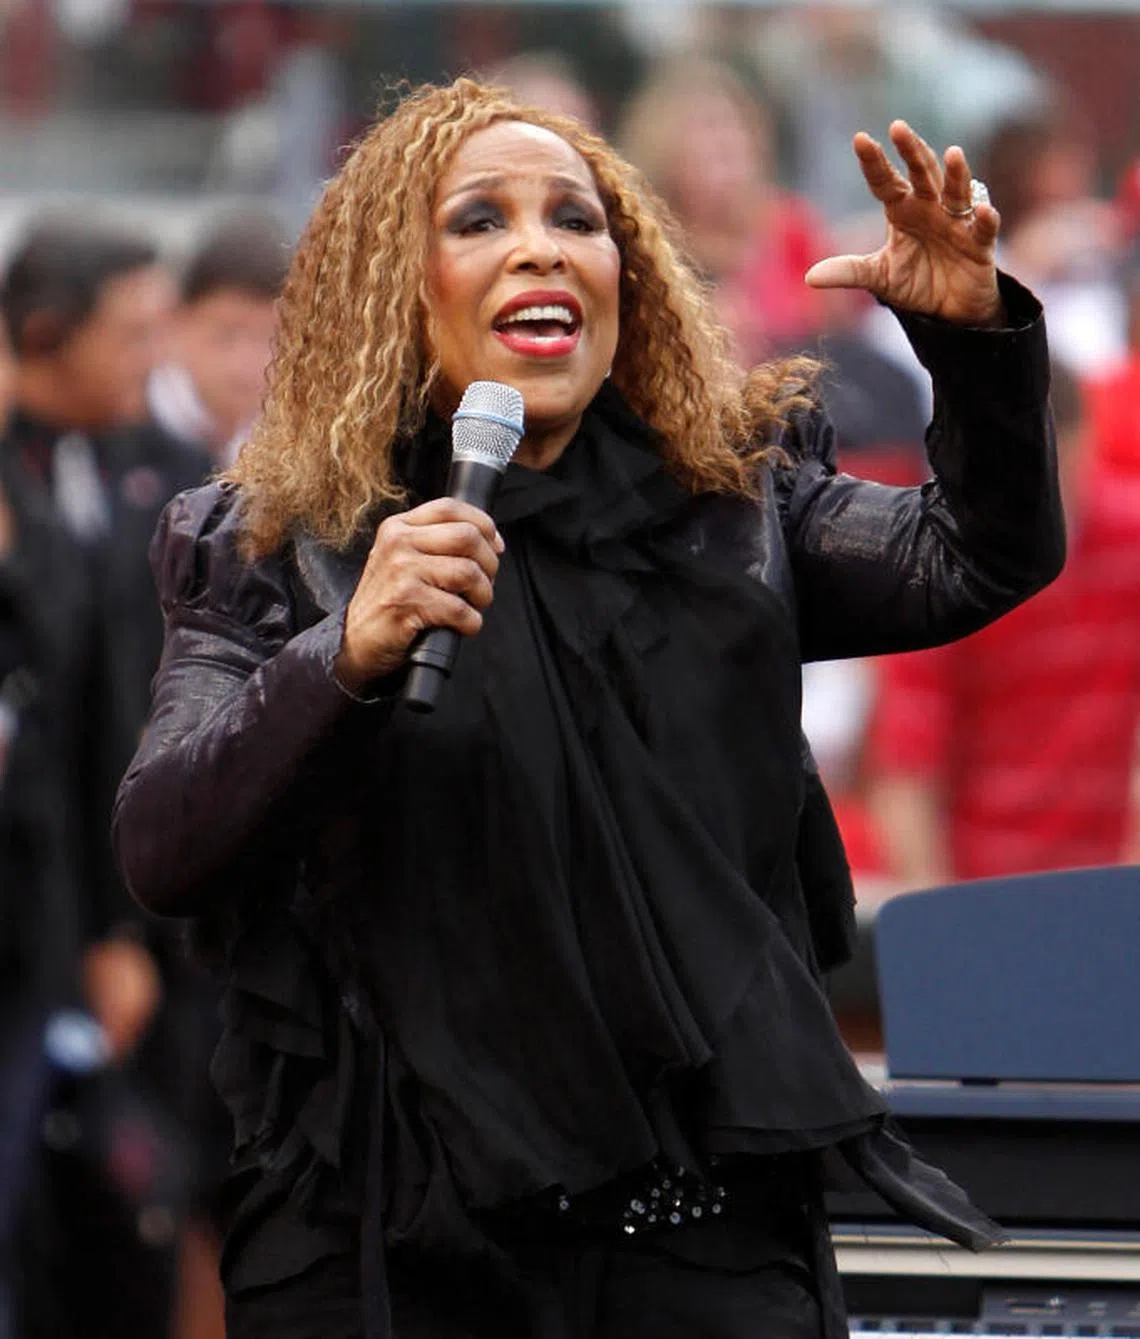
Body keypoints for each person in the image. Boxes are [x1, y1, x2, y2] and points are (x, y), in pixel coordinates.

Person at [113, 79, 1063, 1339]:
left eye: (577, 216)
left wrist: (978, 347)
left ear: (630, 276)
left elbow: (978, 557)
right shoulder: (273, 548)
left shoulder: (738, 511)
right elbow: (164, 843)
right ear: (394, 286)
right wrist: (342, 653)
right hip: (395, 1256)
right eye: (480, 221)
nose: (540, 244)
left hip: (696, 1247)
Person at [869, 358, 1140, 886]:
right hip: (985, 893)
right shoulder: (936, 563)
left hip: (1113, 891)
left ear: (1090, 441)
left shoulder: (1133, 542)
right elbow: (908, 779)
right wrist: (947, 929)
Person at [617, 57, 833, 365]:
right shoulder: (645, 243)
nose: (723, 143)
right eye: (704, 129)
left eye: (733, 127)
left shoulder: (791, 227)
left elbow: (833, 333)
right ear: (663, 148)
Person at [147, 209, 290, 471]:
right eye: (226, 336)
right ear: (174, 322)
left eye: (272, 340)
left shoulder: (288, 445)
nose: (247, 363)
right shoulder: (125, 425)